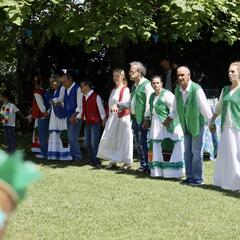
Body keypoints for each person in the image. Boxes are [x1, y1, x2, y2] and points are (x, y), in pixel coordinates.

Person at [164, 66, 212, 185]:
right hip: (185, 126)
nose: (180, 77)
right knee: (187, 152)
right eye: (178, 75)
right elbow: (175, 109)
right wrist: (169, 118)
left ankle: (198, 178)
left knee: (196, 152)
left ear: (189, 76)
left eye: (182, 75)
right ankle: (189, 177)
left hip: (197, 125)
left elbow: (205, 109)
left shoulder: (197, 89)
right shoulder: (177, 90)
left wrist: (211, 123)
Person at [119, 61, 154, 173]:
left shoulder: (147, 85)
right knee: (139, 143)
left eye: (131, 71)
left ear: (139, 72)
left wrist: (147, 118)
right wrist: (119, 105)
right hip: (135, 118)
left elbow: (150, 103)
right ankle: (143, 165)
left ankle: (149, 166)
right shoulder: (134, 86)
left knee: (144, 142)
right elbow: (130, 103)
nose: (129, 73)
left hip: (143, 119)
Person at [210, 61, 240, 191]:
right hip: (227, 128)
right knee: (229, 155)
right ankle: (229, 182)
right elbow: (218, 107)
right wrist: (212, 121)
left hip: (238, 128)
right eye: (229, 71)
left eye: (233, 71)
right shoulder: (225, 90)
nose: (230, 74)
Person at [147, 76, 185, 178]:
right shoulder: (151, 96)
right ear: (151, 84)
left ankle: (172, 173)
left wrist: (168, 120)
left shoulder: (167, 94)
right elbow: (149, 110)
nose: (155, 85)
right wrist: (146, 119)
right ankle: (157, 172)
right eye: (153, 83)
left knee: (167, 145)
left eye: (157, 83)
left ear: (162, 84)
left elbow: (174, 109)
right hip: (155, 124)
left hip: (167, 124)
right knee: (156, 147)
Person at [97, 69, 133, 169]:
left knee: (124, 139)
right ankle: (113, 160)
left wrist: (117, 107)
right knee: (112, 139)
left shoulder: (125, 89)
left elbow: (126, 104)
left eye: (118, 76)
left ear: (122, 77)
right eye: (114, 76)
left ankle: (127, 162)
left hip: (122, 118)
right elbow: (109, 105)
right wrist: (106, 117)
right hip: (112, 118)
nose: (115, 78)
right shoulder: (113, 90)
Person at [80, 81, 106, 167]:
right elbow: (83, 109)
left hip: (95, 123)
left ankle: (96, 161)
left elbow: (101, 110)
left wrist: (103, 120)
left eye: (82, 86)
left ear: (87, 86)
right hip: (87, 123)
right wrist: (80, 117)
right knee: (86, 143)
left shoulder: (96, 96)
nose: (81, 89)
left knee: (94, 143)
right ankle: (93, 159)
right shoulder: (84, 97)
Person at [47, 75, 72, 161]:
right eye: (50, 82)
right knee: (55, 133)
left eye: (53, 81)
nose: (52, 84)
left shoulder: (62, 88)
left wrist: (54, 101)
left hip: (61, 115)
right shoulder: (54, 91)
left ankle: (65, 153)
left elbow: (62, 98)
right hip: (54, 115)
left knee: (63, 133)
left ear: (58, 81)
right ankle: (55, 153)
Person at [61, 71, 82, 162]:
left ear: (70, 80)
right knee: (70, 138)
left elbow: (80, 105)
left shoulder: (78, 89)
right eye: (62, 82)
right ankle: (73, 156)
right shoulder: (66, 89)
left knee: (72, 137)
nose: (63, 84)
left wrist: (74, 116)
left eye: (64, 82)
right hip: (68, 117)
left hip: (76, 117)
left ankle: (77, 157)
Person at [31, 76, 49, 159]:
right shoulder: (42, 91)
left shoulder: (37, 92)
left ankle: (44, 153)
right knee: (44, 134)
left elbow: (41, 104)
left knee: (42, 135)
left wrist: (44, 112)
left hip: (42, 115)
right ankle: (45, 152)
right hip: (44, 115)